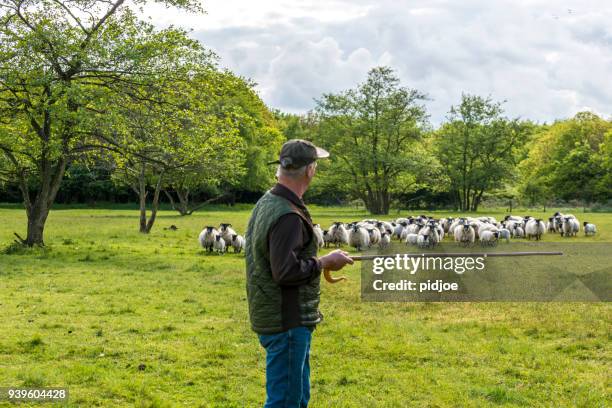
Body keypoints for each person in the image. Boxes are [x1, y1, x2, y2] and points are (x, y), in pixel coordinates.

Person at [245, 139, 353, 407]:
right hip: (287, 320)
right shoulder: (288, 214)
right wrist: (324, 262)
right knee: (285, 402)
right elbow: (285, 272)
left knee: (297, 397)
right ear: (310, 170)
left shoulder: (268, 201)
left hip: (278, 316)